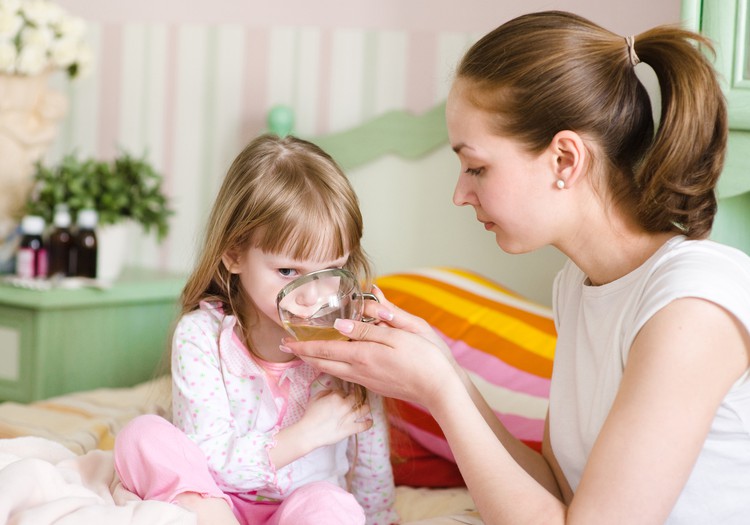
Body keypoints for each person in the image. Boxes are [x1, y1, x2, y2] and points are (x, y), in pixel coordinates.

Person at [283, 10, 750, 525]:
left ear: (565, 160)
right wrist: (451, 377)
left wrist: (441, 393)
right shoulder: (578, 286)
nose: (460, 194)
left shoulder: (691, 306)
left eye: (477, 167)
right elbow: (553, 486)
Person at [114, 134, 398, 525]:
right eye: (288, 271)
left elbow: (370, 452)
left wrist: (381, 517)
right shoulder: (201, 336)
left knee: (336, 506)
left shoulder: (347, 341)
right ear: (234, 254)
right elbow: (207, 460)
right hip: (215, 501)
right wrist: (306, 434)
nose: (312, 296)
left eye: (330, 271)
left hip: (302, 507)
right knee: (141, 435)